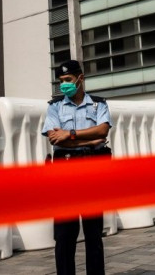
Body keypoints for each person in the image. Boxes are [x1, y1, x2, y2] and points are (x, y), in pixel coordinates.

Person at [42, 59, 112, 275]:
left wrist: (70, 134)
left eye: (68, 80)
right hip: (65, 171)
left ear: (80, 79)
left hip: (93, 170)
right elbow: (55, 139)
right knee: (64, 235)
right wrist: (87, 139)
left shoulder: (99, 104)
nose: (64, 85)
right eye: (61, 81)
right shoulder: (54, 107)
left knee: (93, 233)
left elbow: (102, 132)